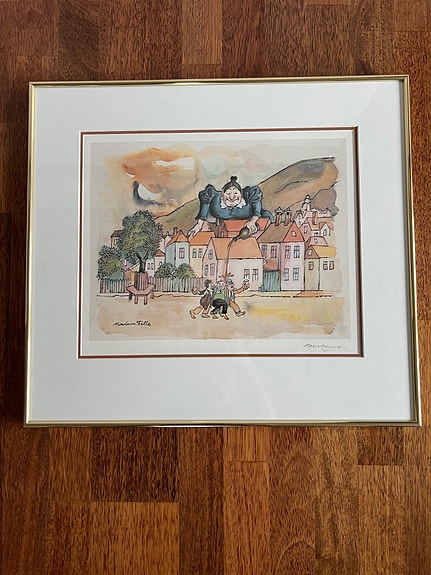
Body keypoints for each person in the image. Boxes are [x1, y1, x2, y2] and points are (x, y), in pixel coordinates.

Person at [188, 176, 273, 237]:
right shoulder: (214, 197)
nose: (232, 197)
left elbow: (257, 204)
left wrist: (253, 221)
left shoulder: (248, 197)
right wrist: (199, 224)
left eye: (236, 193)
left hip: (251, 225)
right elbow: (205, 204)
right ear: (222, 194)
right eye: (228, 193)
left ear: (241, 194)